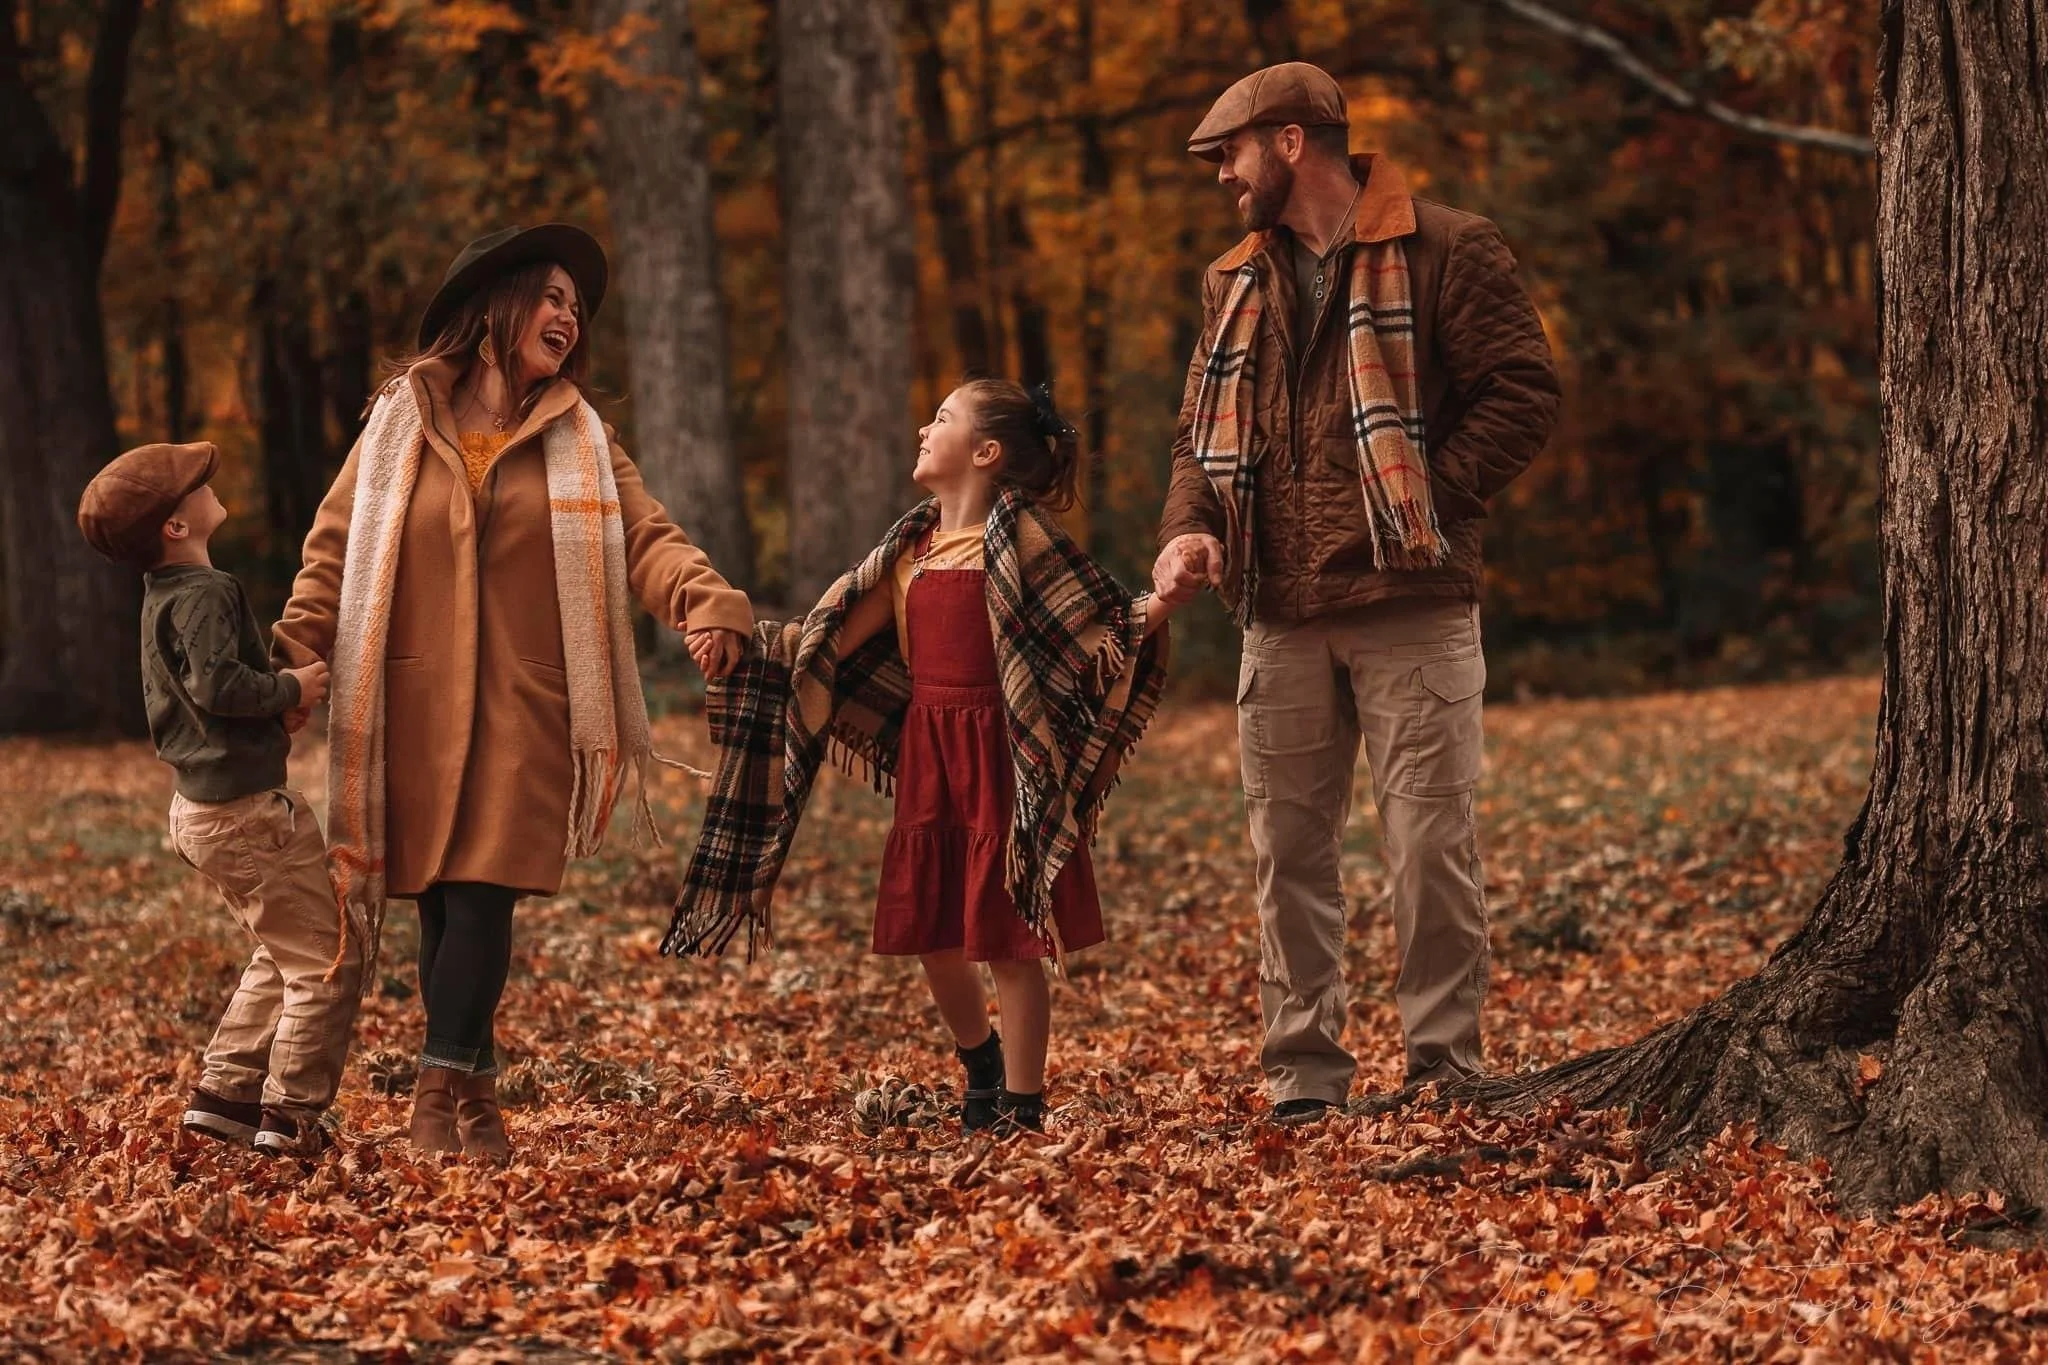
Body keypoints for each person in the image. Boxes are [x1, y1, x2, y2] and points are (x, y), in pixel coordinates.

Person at [274, 225, 752, 1160]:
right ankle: (479, 1100)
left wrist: (704, 600)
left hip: (527, 706)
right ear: (496, 305)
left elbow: (646, 536)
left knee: (485, 895)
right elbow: (333, 552)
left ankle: (431, 1089)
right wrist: (292, 657)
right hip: (408, 704)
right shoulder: (395, 424)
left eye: (577, 307)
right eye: (554, 298)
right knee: (442, 909)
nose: (570, 318)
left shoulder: (581, 438)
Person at [1153, 64, 1561, 1123]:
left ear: (1290, 142)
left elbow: (1521, 392)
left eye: (1229, 155)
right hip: (1276, 610)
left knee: (1429, 849)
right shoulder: (1229, 280)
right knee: (1285, 856)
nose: (1221, 180)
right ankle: (1302, 1078)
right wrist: (1188, 531)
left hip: (1410, 600)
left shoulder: (1448, 246)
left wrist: (1426, 496)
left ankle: (1443, 1069)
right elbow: (1199, 440)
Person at [665, 381, 1171, 1135]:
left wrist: (1162, 599)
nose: (925, 428)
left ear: (985, 452)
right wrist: (744, 641)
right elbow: (825, 642)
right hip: (933, 757)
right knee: (935, 940)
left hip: (1004, 757)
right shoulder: (909, 553)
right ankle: (982, 1063)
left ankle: (1023, 1107)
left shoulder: (1028, 547)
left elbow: (1099, 631)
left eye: (942, 418)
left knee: (1007, 939)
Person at [78, 440, 358, 1157]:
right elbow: (216, 686)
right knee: (327, 961)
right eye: (198, 485)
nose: (210, 486)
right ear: (177, 525)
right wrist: (291, 689)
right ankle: (292, 1116)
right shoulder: (206, 590)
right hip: (245, 814)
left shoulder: (166, 596)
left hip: (205, 810)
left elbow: (197, 691)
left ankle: (225, 1094)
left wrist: (271, 704)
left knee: (282, 946)